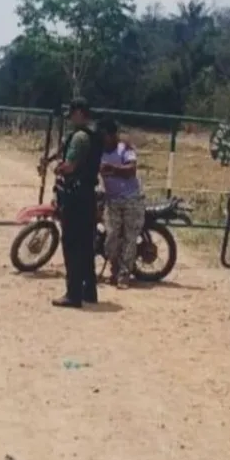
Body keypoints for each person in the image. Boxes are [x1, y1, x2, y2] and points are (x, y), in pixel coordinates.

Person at [45, 97, 103, 308]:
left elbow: (69, 166)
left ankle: (73, 293)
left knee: (72, 244)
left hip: (75, 196)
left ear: (80, 113)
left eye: (72, 112)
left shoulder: (79, 137)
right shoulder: (92, 135)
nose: (70, 117)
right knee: (86, 245)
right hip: (87, 195)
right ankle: (89, 291)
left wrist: (58, 168)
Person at [97, 118, 145, 289]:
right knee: (111, 238)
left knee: (129, 238)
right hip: (112, 200)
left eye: (106, 135)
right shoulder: (98, 151)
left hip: (131, 199)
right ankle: (114, 268)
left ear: (113, 135)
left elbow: (132, 169)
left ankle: (124, 275)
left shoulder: (124, 148)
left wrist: (112, 168)